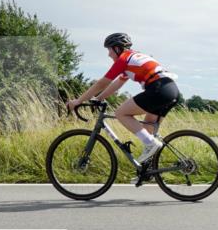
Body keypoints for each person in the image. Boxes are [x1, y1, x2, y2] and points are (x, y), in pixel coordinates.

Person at [66, 33, 180, 163]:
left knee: (121, 113)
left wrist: (78, 101)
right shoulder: (134, 58)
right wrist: (99, 98)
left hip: (157, 89)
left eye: (109, 50)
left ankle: (151, 144)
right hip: (171, 90)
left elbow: (102, 83)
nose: (108, 54)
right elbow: (118, 83)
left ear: (117, 48)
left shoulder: (124, 59)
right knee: (147, 131)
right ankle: (148, 172)